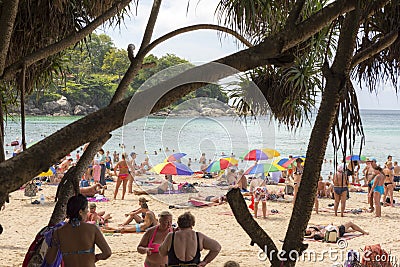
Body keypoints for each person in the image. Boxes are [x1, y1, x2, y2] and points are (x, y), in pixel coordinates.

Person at [45, 194, 111, 266]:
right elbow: (107, 253)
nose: (87, 212)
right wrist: (95, 258)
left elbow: (50, 259)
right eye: (86, 209)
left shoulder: (58, 232)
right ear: (80, 212)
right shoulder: (92, 229)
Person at [304, 221, 369, 240]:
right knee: (350, 223)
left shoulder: (320, 233)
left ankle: (353, 231)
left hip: (336, 230)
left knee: (348, 229)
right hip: (338, 231)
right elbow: (336, 229)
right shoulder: (315, 233)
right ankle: (364, 232)